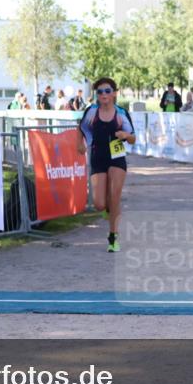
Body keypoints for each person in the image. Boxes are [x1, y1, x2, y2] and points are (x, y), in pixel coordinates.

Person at [77, 78, 136, 253]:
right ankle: (108, 208)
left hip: (117, 156)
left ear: (114, 93)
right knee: (99, 203)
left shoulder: (121, 113)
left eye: (107, 91)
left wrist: (125, 135)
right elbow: (80, 128)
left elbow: (133, 138)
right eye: (100, 92)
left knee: (115, 195)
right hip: (98, 156)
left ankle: (113, 237)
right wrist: (79, 144)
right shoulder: (91, 112)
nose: (104, 94)